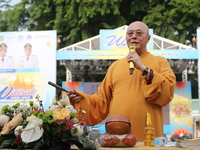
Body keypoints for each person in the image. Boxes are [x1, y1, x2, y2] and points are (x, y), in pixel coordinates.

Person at [68, 21, 176, 141]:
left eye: (139, 33)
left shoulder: (160, 62)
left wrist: (143, 68)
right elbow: (102, 100)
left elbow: (167, 91)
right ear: (126, 38)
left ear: (148, 38)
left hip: (148, 132)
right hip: (119, 132)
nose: (134, 36)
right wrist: (81, 100)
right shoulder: (115, 66)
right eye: (130, 33)